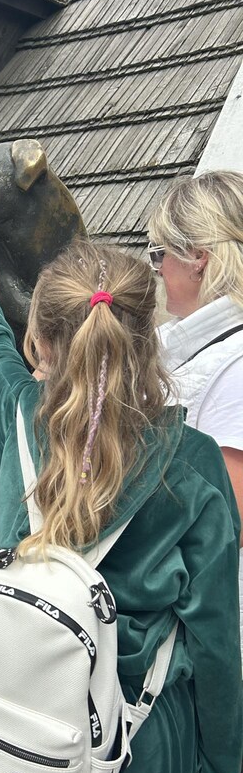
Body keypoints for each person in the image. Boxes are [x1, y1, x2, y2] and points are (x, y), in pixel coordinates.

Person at [0, 184, 242, 773]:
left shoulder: (11, 411)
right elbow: (219, 646)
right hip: (143, 728)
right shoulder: (192, 464)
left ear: (39, 344)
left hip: (26, 713)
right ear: (145, 340)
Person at [148, 170, 243, 661]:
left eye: (159, 254)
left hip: (203, 637)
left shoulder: (236, 365)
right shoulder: (194, 344)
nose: (158, 270)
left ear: (198, 258)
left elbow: (226, 523)